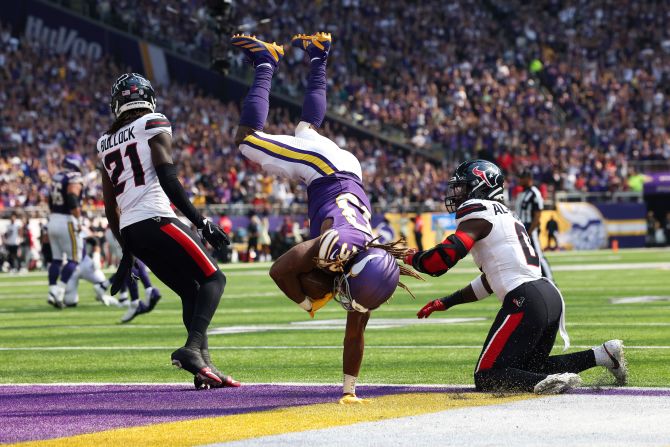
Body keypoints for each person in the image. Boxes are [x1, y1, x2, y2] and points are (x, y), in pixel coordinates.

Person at [231, 32, 416, 403]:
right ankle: (266, 62)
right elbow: (280, 269)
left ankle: (318, 55)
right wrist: (310, 304)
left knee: (306, 131)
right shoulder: (343, 248)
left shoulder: (374, 267)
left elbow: (354, 333)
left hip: (347, 172)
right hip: (326, 172)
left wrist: (349, 390)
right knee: (247, 140)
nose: (347, 300)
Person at [406, 160, 627, 394]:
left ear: (480, 185)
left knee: (487, 375)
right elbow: (490, 281)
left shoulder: (477, 211)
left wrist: (413, 257)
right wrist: (447, 302)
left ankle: (550, 382)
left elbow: (443, 259)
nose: (456, 193)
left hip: (526, 299)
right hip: (548, 296)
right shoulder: (505, 216)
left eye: (462, 186)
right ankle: (602, 355)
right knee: (531, 366)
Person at [97, 72, 238, 389]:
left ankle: (204, 366)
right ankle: (192, 350)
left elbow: (111, 207)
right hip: (157, 218)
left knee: (191, 290)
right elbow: (168, 178)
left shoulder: (104, 142)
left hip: (132, 230)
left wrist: (127, 251)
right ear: (147, 98)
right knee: (215, 278)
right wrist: (200, 221)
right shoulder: (152, 122)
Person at [46, 154, 85, 308]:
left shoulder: (57, 176)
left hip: (53, 218)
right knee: (74, 259)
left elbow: (50, 200)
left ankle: (52, 290)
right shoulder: (74, 177)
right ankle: (60, 291)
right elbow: (72, 199)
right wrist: (78, 219)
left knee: (56, 259)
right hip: (67, 220)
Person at [515, 169, 553, 280]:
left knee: (538, 256)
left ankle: (551, 281)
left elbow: (538, 214)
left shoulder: (534, 193)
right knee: (522, 258)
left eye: (522, 178)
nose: (520, 180)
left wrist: (530, 232)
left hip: (530, 230)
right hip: (521, 229)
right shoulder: (522, 193)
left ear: (528, 179)